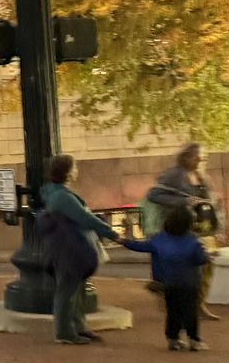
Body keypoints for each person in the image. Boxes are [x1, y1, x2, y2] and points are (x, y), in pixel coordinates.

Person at [39, 153, 121, 345]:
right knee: (67, 292)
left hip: (70, 248)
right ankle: (65, 332)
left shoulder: (57, 193)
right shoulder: (62, 197)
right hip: (69, 250)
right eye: (74, 167)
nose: (77, 171)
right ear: (68, 172)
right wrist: (111, 232)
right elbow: (85, 218)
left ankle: (79, 326)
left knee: (78, 290)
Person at [120, 205, 211, 351]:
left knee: (172, 311)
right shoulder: (192, 240)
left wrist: (123, 241)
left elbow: (140, 246)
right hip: (189, 283)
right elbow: (201, 259)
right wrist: (206, 255)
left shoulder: (159, 239)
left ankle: (173, 339)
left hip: (168, 282)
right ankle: (194, 340)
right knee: (190, 312)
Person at [146, 144, 220, 321]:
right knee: (191, 267)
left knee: (207, 264)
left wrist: (216, 227)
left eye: (203, 156)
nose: (201, 159)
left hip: (202, 228)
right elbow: (153, 195)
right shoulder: (173, 175)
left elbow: (210, 204)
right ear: (185, 157)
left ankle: (197, 303)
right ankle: (187, 304)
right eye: (197, 156)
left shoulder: (201, 176)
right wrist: (184, 201)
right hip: (180, 227)